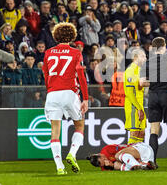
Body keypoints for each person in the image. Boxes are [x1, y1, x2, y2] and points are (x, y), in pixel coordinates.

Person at [42, 22, 89, 175]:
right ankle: (72, 153)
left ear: (56, 36)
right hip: (69, 93)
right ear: (72, 36)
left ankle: (59, 166)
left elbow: (46, 74)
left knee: (55, 130)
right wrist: (85, 98)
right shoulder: (75, 53)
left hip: (53, 94)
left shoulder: (48, 52)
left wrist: (50, 91)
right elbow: (81, 76)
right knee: (79, 125)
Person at [140, 37, 167, 167]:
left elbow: (142, 82)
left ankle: (152, 161)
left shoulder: (147, 63)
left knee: (154, 130)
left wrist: (154, 82)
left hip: (153, 97)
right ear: (164, 46)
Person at [124, 48, 147, 144]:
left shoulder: (140, 71)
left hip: (140, 105)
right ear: (135, 57)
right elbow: (129, 93)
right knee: (134, 133)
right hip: (134, 107)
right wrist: (138, 109)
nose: (145, 58)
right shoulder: (130, 71)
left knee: (141, 133)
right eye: (143, 56)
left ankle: (138, 157)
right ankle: (128, 157)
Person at [87, 142, 157, 171]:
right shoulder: (104, 167)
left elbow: (124, 150)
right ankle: (144, 165)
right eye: (104, 163)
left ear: (100, 154)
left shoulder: (107, 149)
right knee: (116, 165)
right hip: (146, 158)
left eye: (104, 159)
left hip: (141, 149)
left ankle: (138, 165)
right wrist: (111, 166)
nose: (106, 160)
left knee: (118, 155)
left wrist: (115, 160)